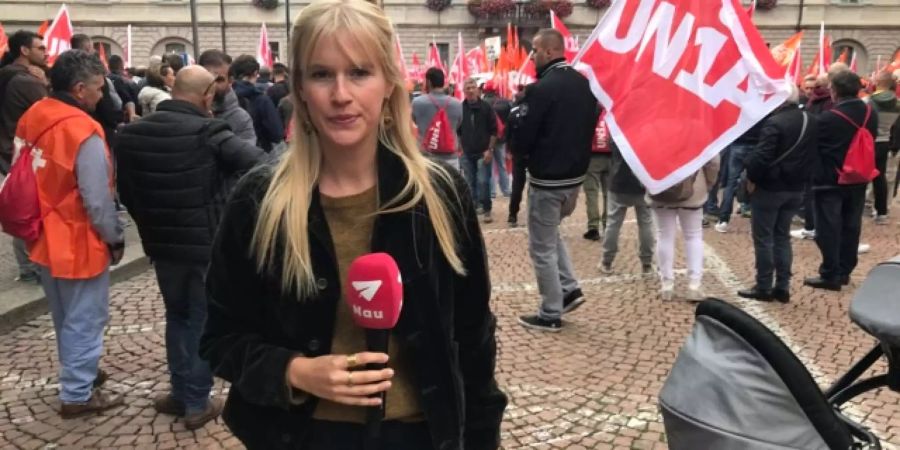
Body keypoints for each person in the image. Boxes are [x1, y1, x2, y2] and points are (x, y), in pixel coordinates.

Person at [199, 0, 507, 448]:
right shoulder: (259, 200)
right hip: (304, 435)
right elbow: (219, 336)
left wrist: (482, 440)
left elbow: (473, 335)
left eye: (359, 72)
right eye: (322, 74)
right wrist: (294, 371)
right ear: (300, 87)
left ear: (388, 84)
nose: (340, 94)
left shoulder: (438, 194)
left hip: (423, 434)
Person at [116, 66, 267, 430]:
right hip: (205, 247)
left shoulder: (131, 134)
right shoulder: (210, 131)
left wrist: (149, 227)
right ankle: (197, 402)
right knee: (201, 321)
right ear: (206, 97)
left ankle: (181, 393)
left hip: (162, 246)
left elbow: (127, 193)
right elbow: (261, 166)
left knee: (177, 317)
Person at [16, 50, 125, 417]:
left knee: (65, 314)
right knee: (86, 318)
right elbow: (98, 200)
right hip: (77, 237)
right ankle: (78, 393)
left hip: (41, 231)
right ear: (79, 89)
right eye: (98, 87)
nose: (101, 95)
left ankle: (82, 373)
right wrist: (114, 237)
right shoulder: (83, 129)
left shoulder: (35, 114)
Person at [514, 29, 598, 332]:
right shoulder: (584, 85)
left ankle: (551, 311)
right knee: (551, 236)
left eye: (535, 51)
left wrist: (518, 135)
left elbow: (523, 138)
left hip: (548, 179)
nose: (532, 57)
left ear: (549, 52)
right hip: (574, 178)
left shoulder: (542, 89)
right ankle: (570, 287)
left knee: (541, 246)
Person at [738, 87, 817, 303]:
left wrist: (752, 177)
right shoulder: (812, 120)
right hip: (796, 187)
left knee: (764, 239)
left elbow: (762, 157)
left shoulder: (775, 123)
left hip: (771, 187)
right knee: (782, 237)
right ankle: (782, 286)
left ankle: (763, 286)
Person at [804, 71, 878, 291]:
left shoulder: (828, 118)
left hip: (830, 179)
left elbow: (815, 146)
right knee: (851, 225)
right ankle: (845, 270)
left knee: (827, 227)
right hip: (859, 177)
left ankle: (830, 272)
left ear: (834, 91)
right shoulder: (869, 113)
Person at [0, 30, 49, 283]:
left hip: (12, 150)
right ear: (25, 51)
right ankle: (31, 266)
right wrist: (44, 84)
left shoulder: (7, 74)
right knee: (29, 208)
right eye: (41, 47)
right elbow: (52, 109)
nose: (46, 51)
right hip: (25, 152)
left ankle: (28, 265)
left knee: (23, 205)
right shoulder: (26, 81)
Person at [649, 157, 719, 301]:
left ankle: (667, 285)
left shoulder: (652, 133)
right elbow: (713, 161)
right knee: (693, 236)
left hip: (660, 184)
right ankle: (694, 285)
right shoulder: (697, 133)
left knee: (664, 236)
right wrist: (708, 183)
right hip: (694, 186)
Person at [598, 142, 655, 275]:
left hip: (619, 181)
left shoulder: (617, 129)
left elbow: (610, 146)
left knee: (613, 224)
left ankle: (607, 261)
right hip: (643, 182)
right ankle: (647, 264)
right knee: (646, 224)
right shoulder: (647, 131)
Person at [71, 34, 125, 149]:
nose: (100, 94)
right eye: (98, 90)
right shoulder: (94, 76)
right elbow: (107, 108)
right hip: (98, 133)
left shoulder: (66, 71)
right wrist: (118, 119)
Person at [198, 49, 258, 146]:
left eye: (219, 80)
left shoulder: (240, 118)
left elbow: (246, 157)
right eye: (207, 79)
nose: (212, 86)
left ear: (230, 81)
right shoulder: (184, 112)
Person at [458, 78, 498, 223]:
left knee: (483, 181)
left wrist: (490, 149)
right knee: (470, 182)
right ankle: (473, 208)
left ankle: (487, 209)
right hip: (466, 152)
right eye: (467, 88)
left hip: (483, 151)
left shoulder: (486, 107)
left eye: (473, 87)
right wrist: (460, 148)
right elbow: (457, 130)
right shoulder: (460, 108)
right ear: (463, 91)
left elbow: (494, 130)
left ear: (478, 89)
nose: (470, 90)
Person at [411, 67, 463, 170]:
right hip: (450, 159)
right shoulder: (457, 104)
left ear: (429, 82)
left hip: (426, 159)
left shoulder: (418, 103)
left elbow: (414, 120)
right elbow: (458, 124)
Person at [865, 71, 899, 224]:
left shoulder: (868, 101)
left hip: (868, 141)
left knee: (860, 176)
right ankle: (881, 213)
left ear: (878, 82)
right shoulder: (897, 103)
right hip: (884, 141)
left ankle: (862, 207)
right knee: (880, 177)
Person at [230, 55, 284, 152]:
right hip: (258, 153)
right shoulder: (262, 100)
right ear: (255, 73)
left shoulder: (224, 96)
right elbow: (277, 133)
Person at [714, 122, 761, 233]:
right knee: (756, 183)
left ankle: (723, 220)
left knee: (731, 183)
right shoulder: (763, 108)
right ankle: (756, 223)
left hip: (738, 145)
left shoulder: (742, 106)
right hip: (756, 146)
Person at [582, 105, 610, 241]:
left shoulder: (588, 112)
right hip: (611, 156)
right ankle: (608, 225)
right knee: (609, 194)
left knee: (591, 193)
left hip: (592, 157)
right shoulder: (612, 112)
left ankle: (593, 227)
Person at [481, 81, 512, 198]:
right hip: (502, 138)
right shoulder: (505, 102)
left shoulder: (483, 103)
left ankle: (492, 192)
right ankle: (506, 190)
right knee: (502, 165)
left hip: (488, 139)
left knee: (489, 165)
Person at [506, 85, 530, 227]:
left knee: (517, 186)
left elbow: (508, 134)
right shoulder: (536, 111)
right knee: (535, 187)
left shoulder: (513, 112)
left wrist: (509, 150)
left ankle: (512, 214)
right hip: (533, 154)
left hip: (518, 153)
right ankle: (533, 215)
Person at [106, 55, 139, 122]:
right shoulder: (122, 80)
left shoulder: (104, 79)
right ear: (121, 66)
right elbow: (127, 99)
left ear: (108, 66)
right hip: (122, 117)